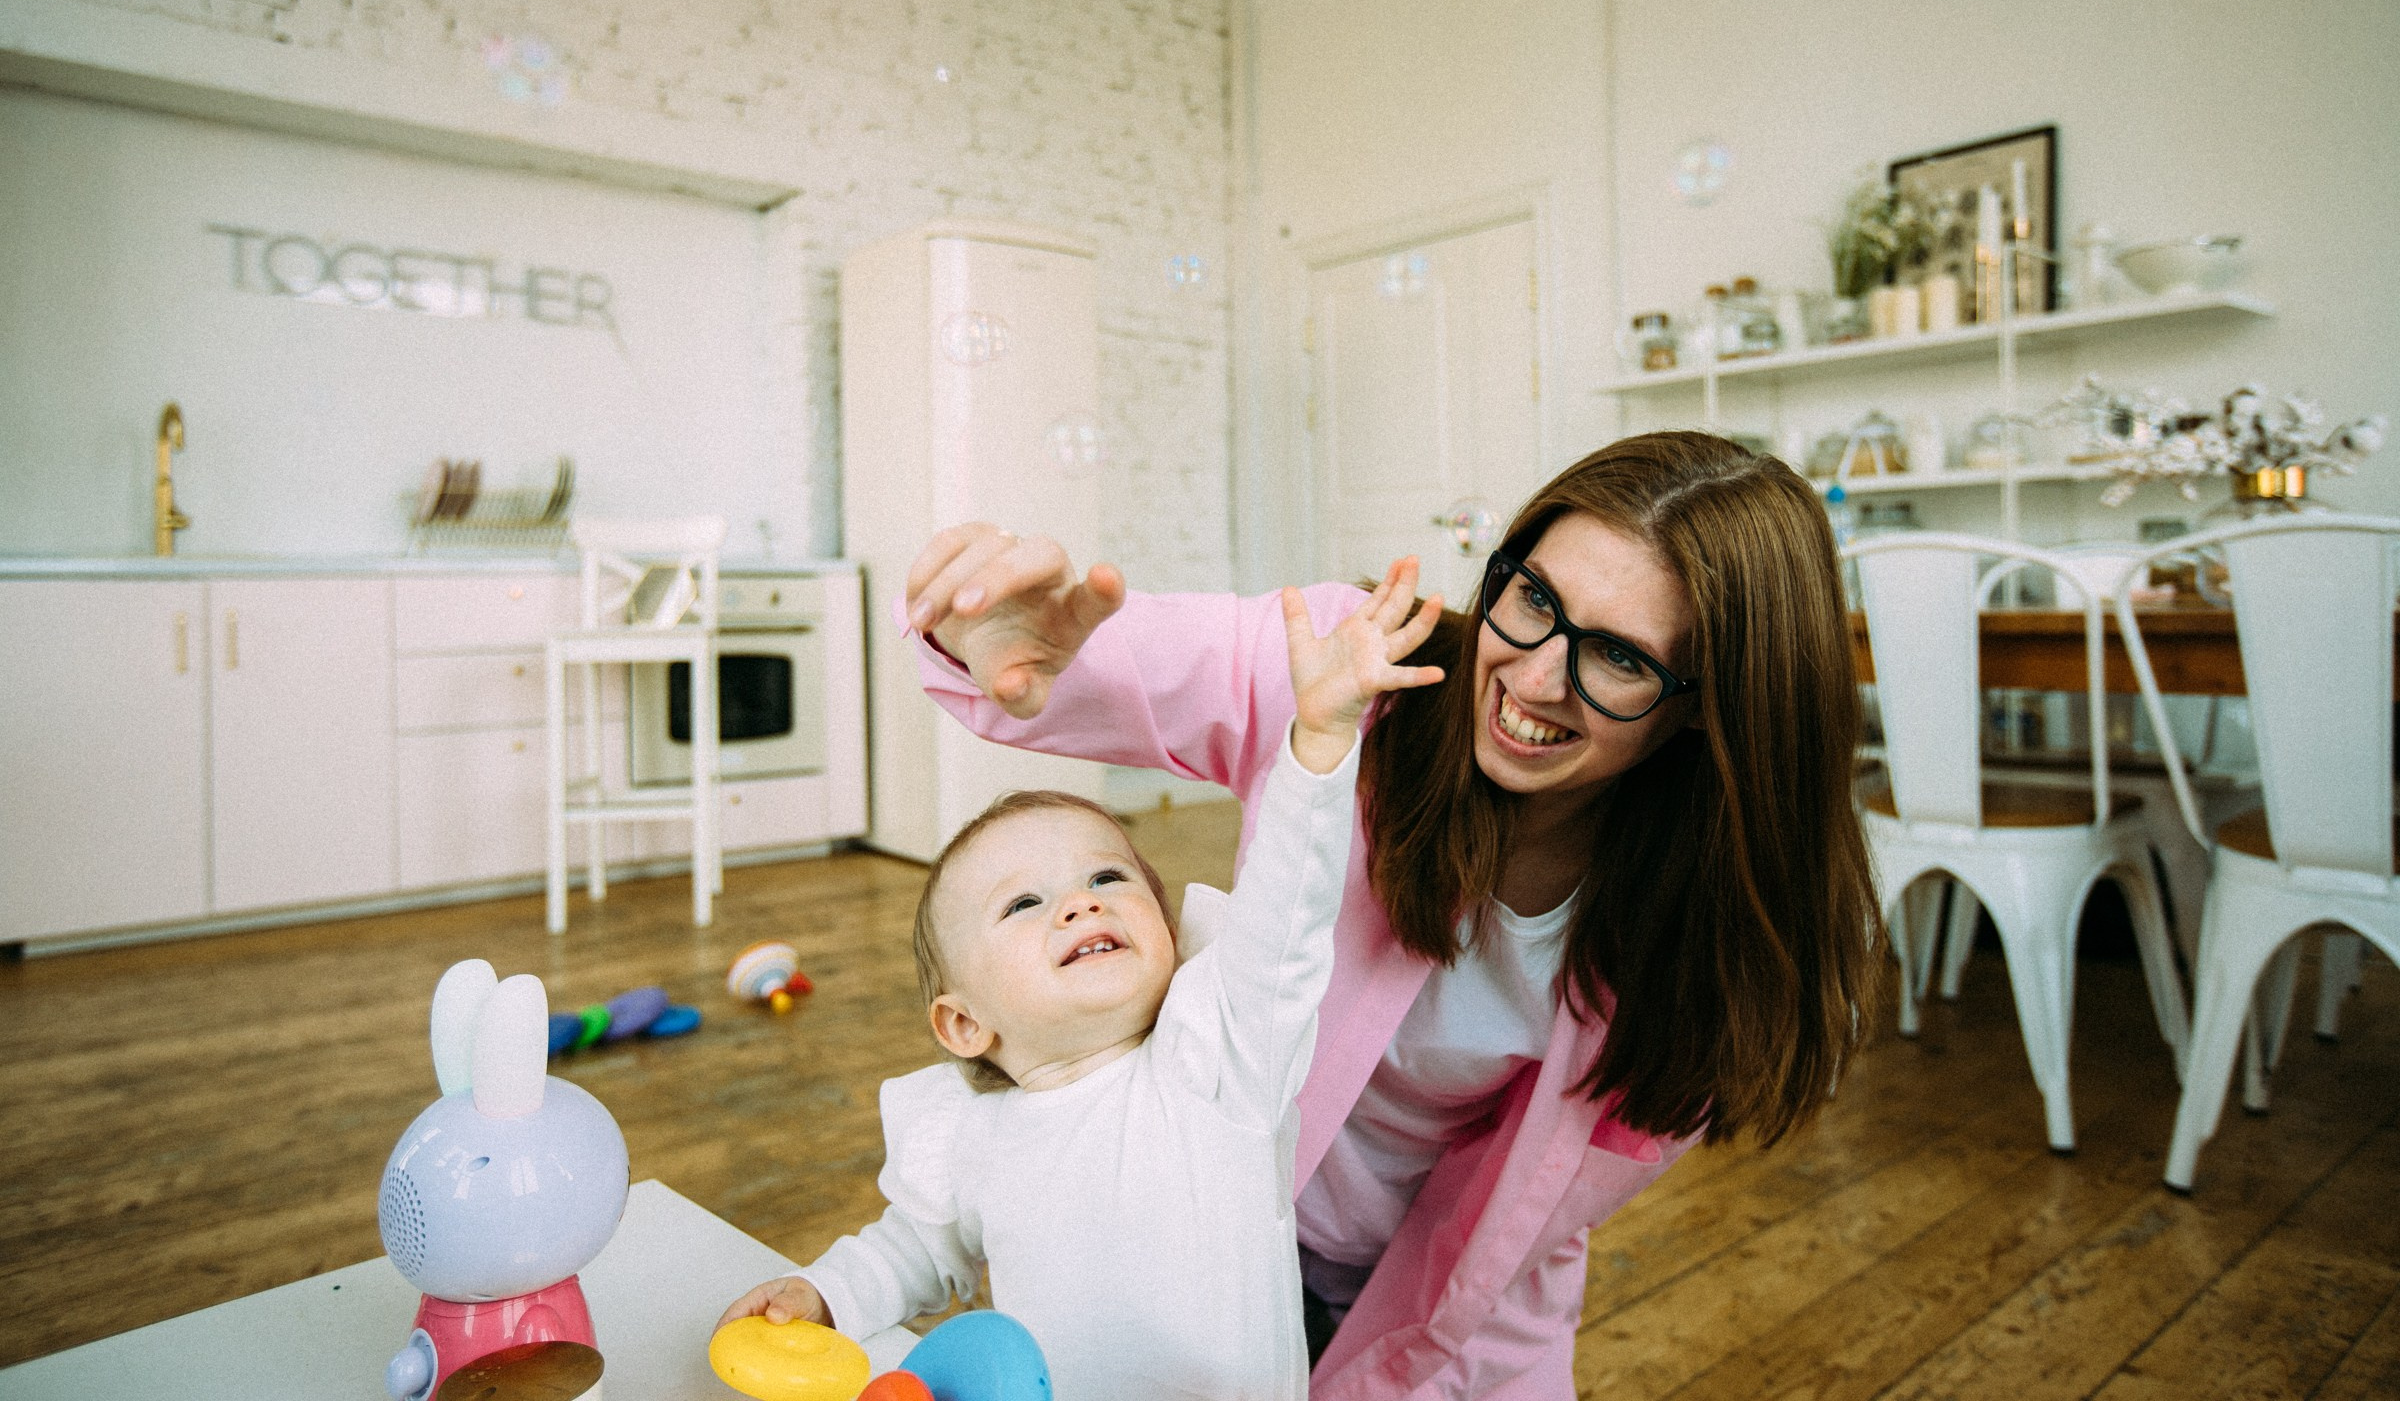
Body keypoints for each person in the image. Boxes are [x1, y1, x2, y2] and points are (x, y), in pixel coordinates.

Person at [896, 430, 1880, 1399]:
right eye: (1533, 596)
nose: (1534, 678)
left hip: (1464, 1316)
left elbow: (1519, 1222)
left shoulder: (1717, 927)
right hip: (1210, 1245)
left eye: (1618, 656)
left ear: (1710, 706)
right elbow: (1114, 661)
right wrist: (1008, 641)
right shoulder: (1359, 669)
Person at [717, 560, 1449, 1401]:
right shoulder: (971, 1137)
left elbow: (1286, 919)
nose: (1077, 906)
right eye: (1025, 902)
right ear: (963, 1025)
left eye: (1107, 880)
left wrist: (1320, 745)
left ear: (1169, 935)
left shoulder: (1217, 1061)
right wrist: (825, 1294)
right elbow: (916, 1253)